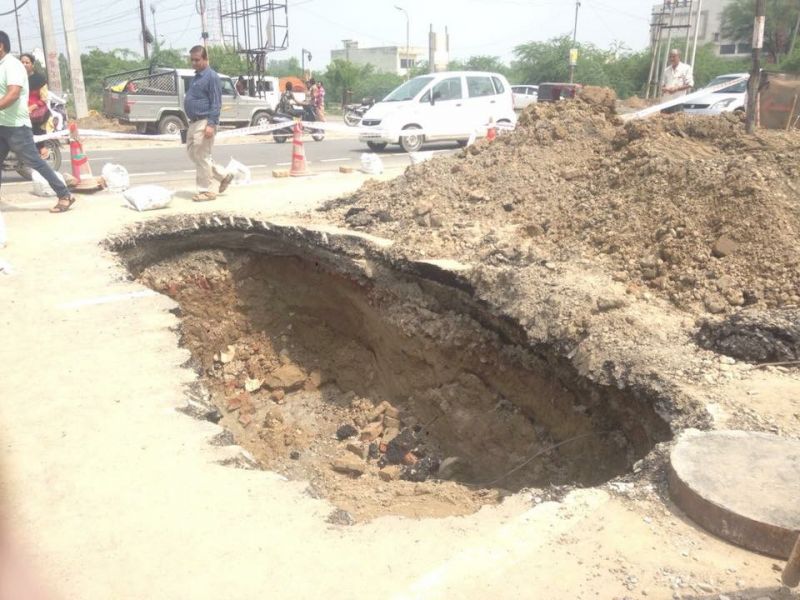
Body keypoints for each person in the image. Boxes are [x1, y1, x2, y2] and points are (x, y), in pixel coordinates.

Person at [0, 31, 74, 213]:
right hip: (3, 125)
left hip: (16, 127)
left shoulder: (12, 66)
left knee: (35, 161)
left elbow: (14, 93)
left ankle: (65, 194)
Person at [183, 45, 233, 202]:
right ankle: (223, 175)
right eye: (192, 60)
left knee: (202, 156)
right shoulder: (196, 77)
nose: (194, 63)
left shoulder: (212, 77)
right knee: (194, 154)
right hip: (193, 123)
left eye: (197, 60)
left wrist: (211, 124)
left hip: (204, 121)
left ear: (205, 59)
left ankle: (207, 191)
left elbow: (216, 103)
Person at [19, 53, 49, 159]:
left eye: (27, 62)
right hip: (20, 110)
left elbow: (44, 98)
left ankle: (42, 149)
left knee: (34, 130)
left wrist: (31, 107)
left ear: (32, 64)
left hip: (36, 111)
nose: (24, 64)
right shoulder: (16, 77)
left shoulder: (39, 79)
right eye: (22, 62)